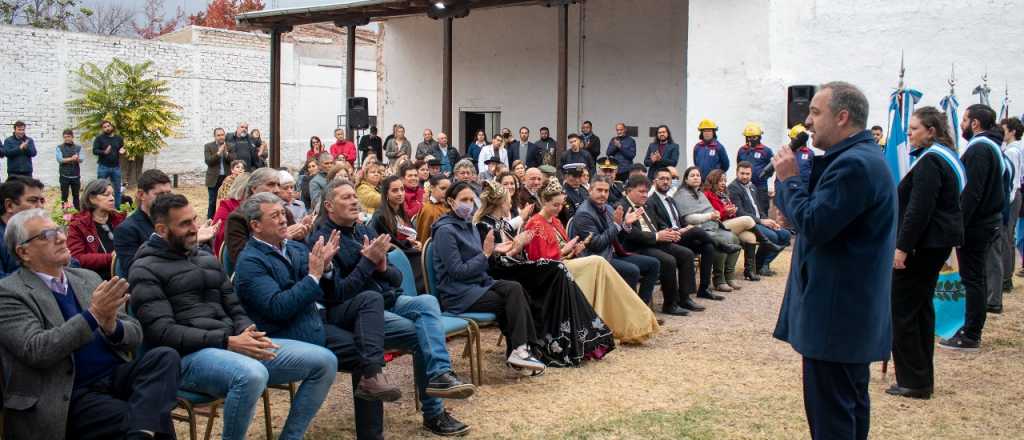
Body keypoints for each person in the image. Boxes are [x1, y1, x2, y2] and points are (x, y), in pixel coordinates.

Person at [772, 81, 896, 440]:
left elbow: (813, 224)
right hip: (847, 315)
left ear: (842, 117)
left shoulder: (854, 166)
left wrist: (790, 181)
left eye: (815, 112)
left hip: (837, 316)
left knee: (833, 418)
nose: (807, 122)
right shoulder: (858, 159)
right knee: (848, 406)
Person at [312, 180, 476, 436]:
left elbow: (398, 278)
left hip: (388, 300)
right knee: (425, 333)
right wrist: (367, 263)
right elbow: (339, 294)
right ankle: (434, 413)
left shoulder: (361, 229)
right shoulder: (323, 238)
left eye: (355, 196)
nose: (355, 201)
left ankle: (440, 375)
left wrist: (383, 268)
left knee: (427, 303)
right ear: (329, 206)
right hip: (358, 312)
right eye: (346, 198)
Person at [0, 209, 180, 440]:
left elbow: (135, 333)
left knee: (165, 357)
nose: (62, 238)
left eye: (59, 230)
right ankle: (142, 431)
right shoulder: (9, 293)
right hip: (68, 392)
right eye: (46, 235)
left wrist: (111, 326)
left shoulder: (86, 278)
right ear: (23, 252)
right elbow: (37, 350)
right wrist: (93, 315)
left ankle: (141, 432)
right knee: (149, 418)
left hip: (113, 376)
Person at [474, 180, 615, 365]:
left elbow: (516, 247)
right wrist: (517, 246)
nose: (511, 203)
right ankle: (570, 337)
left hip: (518, 266)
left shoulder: (502, 223)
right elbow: (493, 259)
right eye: (508, 200)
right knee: (559, 269)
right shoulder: (485, 226)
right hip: (503, 272)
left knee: (563, 270)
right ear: (501, 203)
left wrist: (567, 251)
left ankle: (578, 335)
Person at [887, 106, 964, 400]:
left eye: (914, 130)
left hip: (922, 246)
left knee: (904, 310)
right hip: (933, 244)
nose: (909, 136)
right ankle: (920, 376)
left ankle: (913, 380)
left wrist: (902, 248)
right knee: (919, 309)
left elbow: (919, 210)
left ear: (931, 131)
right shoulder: (945, 157)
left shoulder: (932, 161)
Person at [524, 177, 660, 342]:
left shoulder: (556, 220)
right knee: (602, 263)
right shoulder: (536, 224)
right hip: (554, 273)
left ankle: (634, 317)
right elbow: (540, 261)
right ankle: (618, 321)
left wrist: (574, 249)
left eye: (561, 205)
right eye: (555, 205)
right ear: (544, 202)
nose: (559, 209)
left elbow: (568, 249)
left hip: (582, 260)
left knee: (651, 264)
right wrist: (566, 251)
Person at [431, 180, 547, 374]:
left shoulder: (468, 226)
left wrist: (494, 252)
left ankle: (521, 350)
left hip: (477, 284)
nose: (468, 204)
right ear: (451, 202)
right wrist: (485, 254)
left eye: (471, 199)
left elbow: (478, 260)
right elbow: (457, 271)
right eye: (463, 199)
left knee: (516, 289)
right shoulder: (445, 231)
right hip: (458, 293)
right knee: (508, 301)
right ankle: (521, 350)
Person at [940, 103, 1008, 351]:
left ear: (975, 123)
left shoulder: (980, 149)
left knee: (973, 279)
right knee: (974, 277)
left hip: (977, 225)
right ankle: (970, 328)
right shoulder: (990, 146)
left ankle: (970, 333)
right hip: (985, 221)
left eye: (965, 120)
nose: (961, 124)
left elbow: (971, 194)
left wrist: (958, 225)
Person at [570, 175, 661, 305]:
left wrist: (626, 225)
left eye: (606, 191)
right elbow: (597, 244)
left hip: (612, 253)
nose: (603, 194)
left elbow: (617, 237)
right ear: (590, 190)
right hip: (597, 258)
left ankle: (642, 309)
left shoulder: (607, 208)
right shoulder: (584, 213)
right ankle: (629, 313)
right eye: (599, 190)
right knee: (632, 270)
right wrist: (617, 226)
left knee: (653, 264)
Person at [646, 168, 725, 308]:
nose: (665, 182)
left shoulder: (670, 199)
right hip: (667, 238)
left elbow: (679, 219)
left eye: (668, 179)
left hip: (680, 235)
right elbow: (660, 226)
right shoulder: (652, 201)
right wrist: (683, 229)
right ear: (655, 181)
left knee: (707, 247)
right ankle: (685, 298)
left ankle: (704, 289)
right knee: (695, 230)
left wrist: (684, 227)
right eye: (662, 179)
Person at [616, 174, 695, 316]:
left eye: (646, 191)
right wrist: (658, 236)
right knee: (668, 260)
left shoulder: (646, 205)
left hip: (654, 242)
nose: (645, 195)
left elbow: (658, 223)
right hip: (636, 247)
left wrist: (668, 232)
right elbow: (631, 234)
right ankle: (670, 304)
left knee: (686, 254)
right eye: (641, 191)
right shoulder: (621, 207)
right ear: (629, 191)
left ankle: (684, 297)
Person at [674, 167, 742, 296]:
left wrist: (715, 214)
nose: (696, 177)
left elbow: (710, 210)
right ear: (686, 179)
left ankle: (729, 276)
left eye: (698, 175)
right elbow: (689, 218)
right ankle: (719, 279)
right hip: (696, 229)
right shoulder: (681, 194)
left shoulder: (699, 193)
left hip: (712, 226)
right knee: (722, 241)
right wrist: (710, 216)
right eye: (692, 175)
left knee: (734, 238)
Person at [727, 163, 790, 277]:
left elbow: (759, 209)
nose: (745, 176)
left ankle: (762, 264)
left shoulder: (752, 187)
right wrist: (761, 221)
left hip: (760, 221)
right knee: (773, 236)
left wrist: (770, 221)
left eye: (747, 174)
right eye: (742, 173)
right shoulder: (733, 188)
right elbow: (740, 213)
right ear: (737, 173)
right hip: (747, 224)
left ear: (751, 174)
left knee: (785, 234)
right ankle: (759, 265)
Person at [112, 170, 174, 277]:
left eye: (169, 193)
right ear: (141, 195)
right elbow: (134, 271)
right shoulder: (126, 230)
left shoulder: (174, 220)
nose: (167, 199)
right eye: (160, 194)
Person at [67, 179, 125, 280]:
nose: (112, 198)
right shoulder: (79, 224)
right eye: (106, 195)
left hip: (124, 274)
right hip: (95, 279)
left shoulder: (119, 219)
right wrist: (112, 258)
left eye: (113, 195)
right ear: (92, 199)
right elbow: (77, 258)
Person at [0, 175, 46, 276]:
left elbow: (71, 262)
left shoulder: (45, 229)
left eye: (42, 201)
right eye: (33, 200)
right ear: (10, 205)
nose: (40, 206)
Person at [1001, 117, 1024, 291]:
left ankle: (1006, 279)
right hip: (1016, 194)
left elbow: (1013, 179)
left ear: (1012, 131)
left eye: (1004, 129)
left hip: (1012, 195)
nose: (1002, 132)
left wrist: (1006, 202)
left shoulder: (1012, 151)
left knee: (1007, 237)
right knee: (1009, 237)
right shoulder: (1018, 148)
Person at [736, 123, 775, 215]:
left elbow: (772, 166)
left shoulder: (766, 151)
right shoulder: (742, 150)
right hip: (745, 185)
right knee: (747, 208)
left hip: (760, 186)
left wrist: (765, 176)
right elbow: (739, 164)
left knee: (762, 208)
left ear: (759, 137)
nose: (751, 139)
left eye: (754, 137)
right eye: (749, 137)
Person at [205, 127, 236, 219]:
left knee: (227, 200)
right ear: (214, 136)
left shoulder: (230, 146)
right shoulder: (208, 146)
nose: (221, 137)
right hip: (214, 178)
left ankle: (225, 219)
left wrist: (225, 152)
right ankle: (210, 221)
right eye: (218, 135)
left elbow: (233, 160)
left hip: (227, 178)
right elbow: (208, 161)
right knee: (212, 201)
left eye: (222, 135)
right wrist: (218, 153)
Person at [416, 174, 451, 241]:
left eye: (449, 189)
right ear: (432, 188)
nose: (446, 192)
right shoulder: (428, 210)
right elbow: (424, 237)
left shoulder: (449, 206)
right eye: (443, 188)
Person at [56, 128, 84, 210]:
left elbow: (81, 159)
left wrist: (77, 158)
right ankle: (64, 212)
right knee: (64, 195)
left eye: (68, 136)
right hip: (64, 175)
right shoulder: (59, 147)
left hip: (75, 176)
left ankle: (77, 211)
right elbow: (60, 160)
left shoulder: (78, 147)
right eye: (64, 137)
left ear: (72, 137)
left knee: (76, 195)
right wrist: (71, 158)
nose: (66, 139)